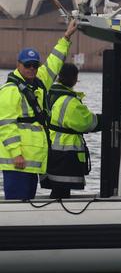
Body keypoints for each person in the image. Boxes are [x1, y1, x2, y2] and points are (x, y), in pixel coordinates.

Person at [0, 20, 77, 200]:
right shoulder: (10, 91)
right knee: (18, 206)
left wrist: (66, 37)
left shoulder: (39, 81)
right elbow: (6, 126)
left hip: (31, 162)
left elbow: (54, 62)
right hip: (17, 162)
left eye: (35, 65)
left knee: (27, 204)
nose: (32, 69)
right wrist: (16, 153)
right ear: (18, 65)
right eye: (28, 65)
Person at [41, 63, 100, 199]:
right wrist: (106, 119)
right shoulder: (69, 101)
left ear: (59, 77)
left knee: (56, 190)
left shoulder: (48, 94)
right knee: (61, 192)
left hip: (49, 150)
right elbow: (86, 123)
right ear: (74, 79)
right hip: (65, 154)